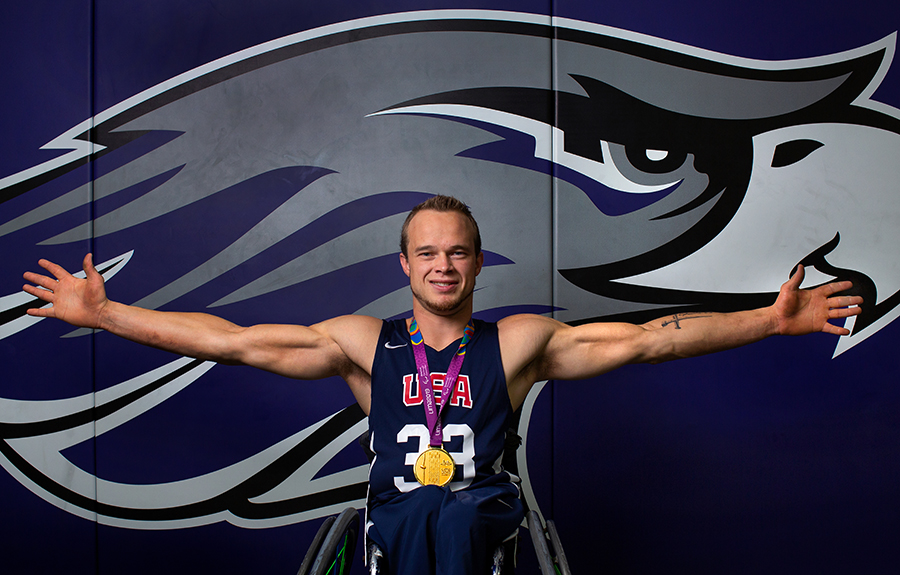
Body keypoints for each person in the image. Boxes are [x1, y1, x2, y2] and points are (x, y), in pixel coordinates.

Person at [23, 195, 862, 575]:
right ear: (406, 264)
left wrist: (769, 319)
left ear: (476, 260)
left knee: (459, 513)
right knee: (418, 512)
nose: (443, 264)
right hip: (395, 537)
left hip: (481, 535)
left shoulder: (520, 342)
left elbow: (647, 341)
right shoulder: (361, 343)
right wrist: (110, 316)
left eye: (457, 250)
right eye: (427, 251)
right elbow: (238, 342)